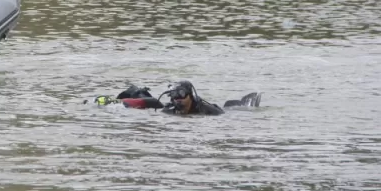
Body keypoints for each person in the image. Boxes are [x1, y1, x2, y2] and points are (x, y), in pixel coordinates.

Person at [89, 81, 261, 116]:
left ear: (190, 96)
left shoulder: (208, 111)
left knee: (231, 109)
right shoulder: (168, 110)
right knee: (150, 102)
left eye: (180, 95)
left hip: (223, 109)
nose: (177, 99)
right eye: (173, 96)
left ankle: (243, 104)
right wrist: (109, 102)